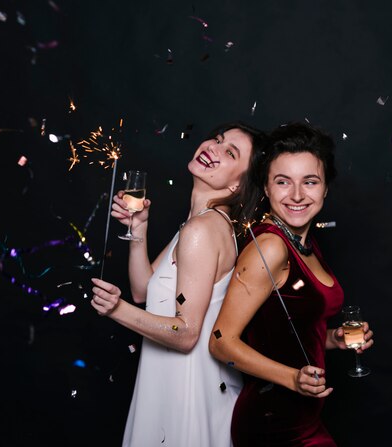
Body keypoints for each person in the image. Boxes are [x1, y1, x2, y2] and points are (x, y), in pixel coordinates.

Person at [90, 122, 266, 446]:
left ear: (237, 186)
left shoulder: (202, 230)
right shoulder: (197, 225)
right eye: (217, 138)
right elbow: (144, 290)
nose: (213, 147)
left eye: (230, 152)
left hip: (187, 391)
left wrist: (116, 310)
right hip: (176, 382)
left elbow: (185, 334)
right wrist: (138, 228)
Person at [209, 122, 374, 446]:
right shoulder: (270, 247)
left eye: (310, 182)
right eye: (283, 182)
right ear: (267, 188)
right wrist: (292, 378)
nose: (297, 195)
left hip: (304, 421)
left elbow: (281, 330)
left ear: (325, 188)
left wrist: (331, 339)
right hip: (274, 425)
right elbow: (220, 342)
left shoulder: (301, 241)